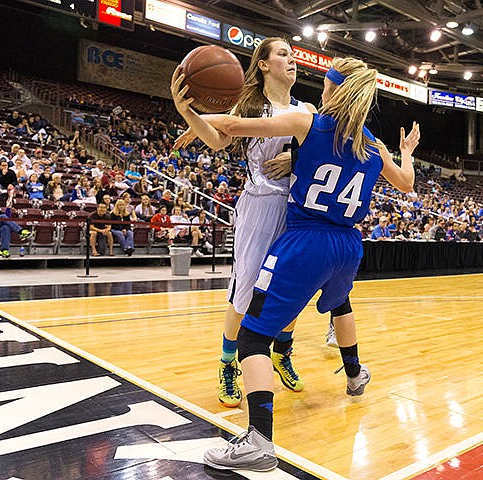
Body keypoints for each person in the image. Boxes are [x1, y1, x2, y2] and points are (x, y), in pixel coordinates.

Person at [173, 55, 420, 471]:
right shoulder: (372, 143)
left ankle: (258, 441)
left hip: (306, 241)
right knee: (340, 305)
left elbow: (232, 127)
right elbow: (408, 184)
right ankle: (354, 374)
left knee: (252, 339)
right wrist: (407, 151)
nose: (319, 88)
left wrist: (190, 110)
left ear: (334, 90)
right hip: (348, 246)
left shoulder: (310, 123)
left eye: (325, 83)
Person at [173, 37, 319, 408]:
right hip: (260, 204)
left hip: (298, 210)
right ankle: (227, 364)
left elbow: (320, 156)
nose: (292, 59)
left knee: (293, 290)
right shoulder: (250, 104)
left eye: (292, 54)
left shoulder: (308, 108)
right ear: (265, 65)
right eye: (283, 54)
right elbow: (218, 141)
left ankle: (282, 352)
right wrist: (188, 113)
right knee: (245, 292)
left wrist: (295, 160)